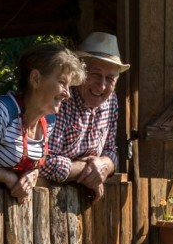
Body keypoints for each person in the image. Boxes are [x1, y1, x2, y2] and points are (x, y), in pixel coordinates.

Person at [0, 44, 86, 202]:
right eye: (62, 82)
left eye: (69, 86)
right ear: (35, 79)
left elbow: (36, 165)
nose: (67, 94)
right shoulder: (3, 111)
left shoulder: (49, 121)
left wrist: (34, 173)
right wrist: (7, 177)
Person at [39, 32, 128, 200]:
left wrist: (104, 165)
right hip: (43, 198)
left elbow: (110, 151)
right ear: (79, 73)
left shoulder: (111, 101)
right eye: (95, 74)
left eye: (109, 78)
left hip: (81, 202)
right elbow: (43, 163)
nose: (102, 86)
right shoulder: (62, 98)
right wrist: (88, 169)